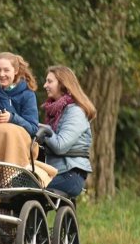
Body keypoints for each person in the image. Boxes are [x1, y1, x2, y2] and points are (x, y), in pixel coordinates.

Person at [36, 65, 96, 197]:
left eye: (49, 81)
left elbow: (60, 146)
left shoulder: (76, 112)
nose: (45, 85)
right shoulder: (56, 112)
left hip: (70, 175)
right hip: (55, 171)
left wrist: (44, 129)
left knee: (29, 187)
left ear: (63, 85)